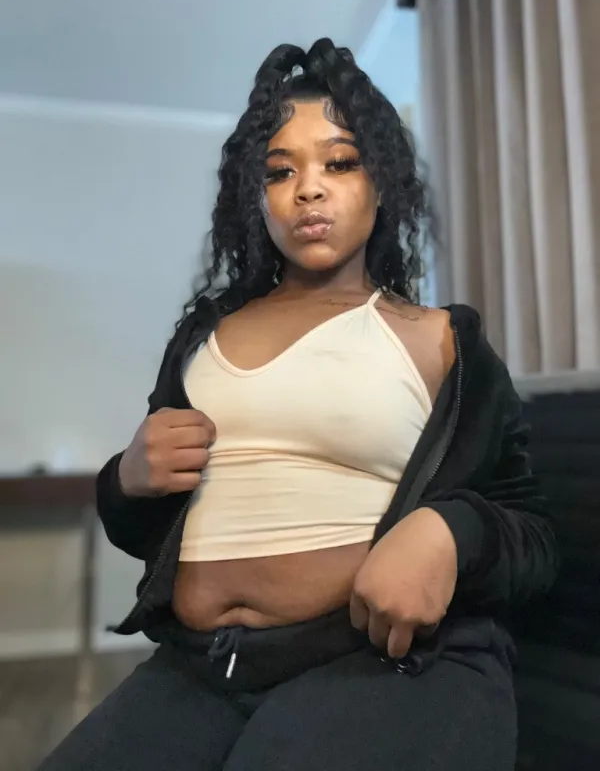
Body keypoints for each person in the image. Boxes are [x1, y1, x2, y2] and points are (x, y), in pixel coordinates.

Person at [39, 38, 558, 771]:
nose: (308, 190)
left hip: (378, 662)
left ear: (382, 183)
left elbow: (533, 533)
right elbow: (142, 527)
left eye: (339, 163)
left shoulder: (440, 340)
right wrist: (125, 477)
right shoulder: (202, 338)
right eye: (280, 172)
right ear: (257, 199)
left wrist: (450, 531)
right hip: (198, 668)